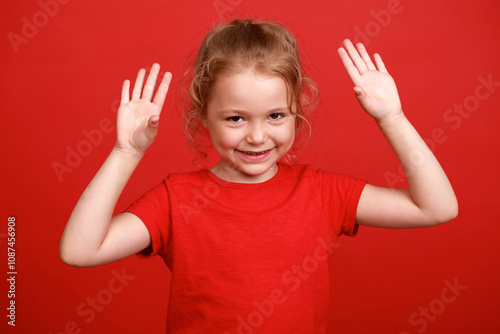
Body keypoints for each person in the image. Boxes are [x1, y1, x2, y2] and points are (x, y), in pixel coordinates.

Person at [59, 19, 458, 333]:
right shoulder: (175, 199)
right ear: (203, 116)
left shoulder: (319, 192)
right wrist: (126, 151)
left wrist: (393, 118)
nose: (256, 135)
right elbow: (79, 251)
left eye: (275, 116)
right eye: (235, 118)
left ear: (296, 111)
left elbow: (436, 207)